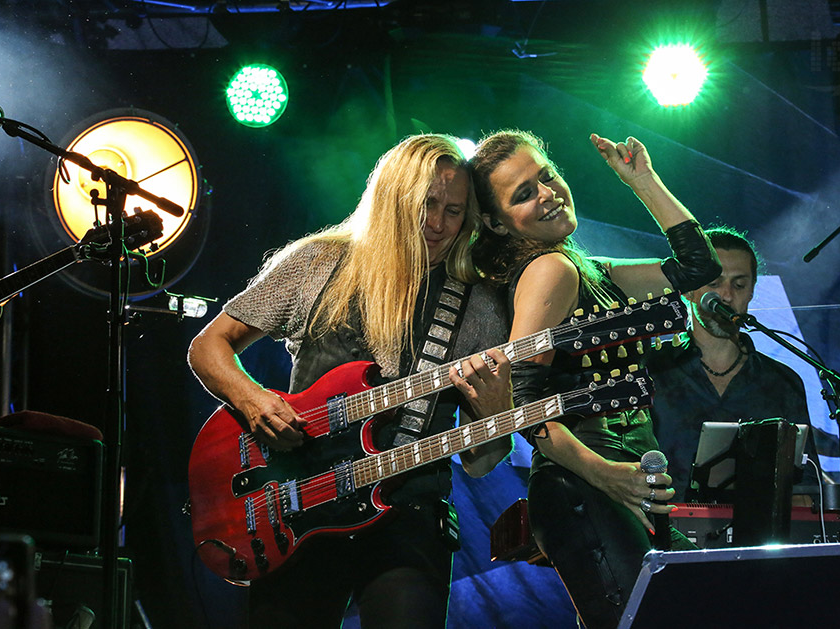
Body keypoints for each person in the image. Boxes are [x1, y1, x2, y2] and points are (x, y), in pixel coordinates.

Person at [187, 134, 513, 628]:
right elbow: (208, 346)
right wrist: (254, 402)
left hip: (407, 516)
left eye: (453, 211)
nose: (437, 224)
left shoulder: (479, 304)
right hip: (295, 508)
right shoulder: (317, 262)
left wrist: (494, 414)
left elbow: (480, 462)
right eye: (426, 204)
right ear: (392, 198)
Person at [469, 129, 721, 628]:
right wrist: (603, 474)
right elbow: (524, 401)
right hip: (583, 484)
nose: (547, 193)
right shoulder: (551, 271)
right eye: (524, 193)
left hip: (620, 481)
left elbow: (697, 266)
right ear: (497, 224)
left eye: (547, 176)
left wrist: (642, 181)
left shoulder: (586, 268)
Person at [646, 227, 819, 504]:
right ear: (689, 290)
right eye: (714, 283)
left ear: (751, 291)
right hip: (668, 533)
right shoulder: (651, 371)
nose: (726, 296)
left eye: (739, 285)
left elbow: (806, 486)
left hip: (759, 536)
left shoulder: (782, 382)